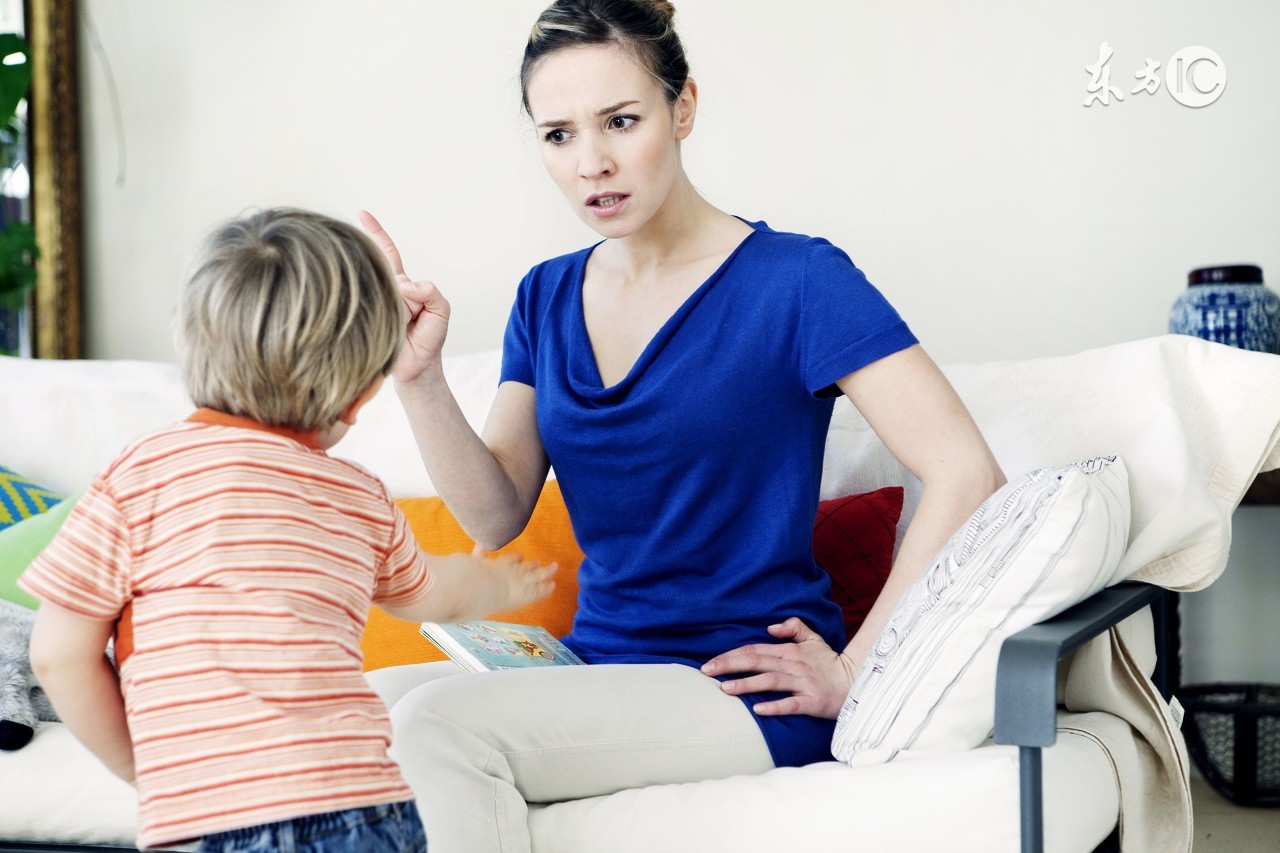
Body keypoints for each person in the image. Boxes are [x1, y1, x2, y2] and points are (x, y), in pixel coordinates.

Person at [360, 0, 1005, 849]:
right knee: (354, 707)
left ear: (683, 109)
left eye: (620, 122)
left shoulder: (799, 280)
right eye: (558, 135)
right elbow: (494, 513)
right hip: (596, 668)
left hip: (738, 685)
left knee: (438, 723)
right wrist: (419, 378)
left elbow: (967, 472)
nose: (592, 163)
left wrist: (859, 670)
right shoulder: (546, 295)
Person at [21, 208, 557, 853]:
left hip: (212, 817)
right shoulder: (356, 493)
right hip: (364, 810)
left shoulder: (137, 477)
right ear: (359, 393)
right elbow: (430, 596)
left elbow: (57, 653)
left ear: (187, 338)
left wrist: (146, 774)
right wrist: (491, 584)